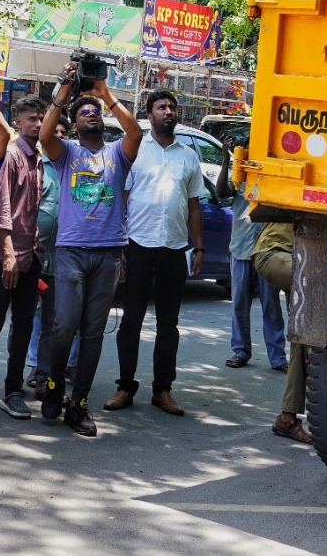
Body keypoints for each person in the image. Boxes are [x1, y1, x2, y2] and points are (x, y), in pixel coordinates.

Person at [38, 64, 142, 437]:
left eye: (94, 113)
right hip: (71, 252)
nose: (91, 116)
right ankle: (53, 384)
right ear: (75, 123)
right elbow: (46, 132)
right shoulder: (65, 153)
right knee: (65, 324)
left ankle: (78, 404)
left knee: (93, 332)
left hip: (108, 253)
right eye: (84, 114)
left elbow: (135, 131)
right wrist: (65, 87)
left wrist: (105, 93)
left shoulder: (117, 153)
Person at [106, 89, 204, 416]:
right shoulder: (135, 150)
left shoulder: (188, 155)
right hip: (137, 244)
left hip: (174, 247)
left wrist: (199, 245)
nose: (168, 112)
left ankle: (162, 390)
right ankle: (125, 386)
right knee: (131, 320)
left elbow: (193, 205)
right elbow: (120, 198)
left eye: (172, 107)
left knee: (168, 323)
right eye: (161, 107)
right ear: (150, 115)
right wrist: (118, 245)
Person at [0, 94, 47, 420]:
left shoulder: (38, 158)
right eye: (31, 118)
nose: (37, 123)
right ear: (18, 121)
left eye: (41, 118)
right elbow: (2, 209)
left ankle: (13, 390)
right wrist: (7, 255)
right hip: (6, 257)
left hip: (31, 256)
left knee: (22, 328)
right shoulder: (15, 155)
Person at [216, 153, 287, 372]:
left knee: (271, 306)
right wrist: (227, 162)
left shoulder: (273, 176)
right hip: (241, 249)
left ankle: (278, 358)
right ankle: (240, 351)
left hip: (268, 251)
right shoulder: (239, 174)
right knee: (239, 304)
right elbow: (221, 192)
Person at [253, 222, 311, 443]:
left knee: (304, 336)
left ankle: (287, 418)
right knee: (311, 281)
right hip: (274, 252)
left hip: (301, 257)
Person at [26, 110, 67, 397]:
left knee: (52, 323)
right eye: (55, 135)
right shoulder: (37, 166)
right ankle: (14, 382)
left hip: (60, 262)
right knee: (24, 320)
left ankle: (42, 376)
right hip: (31, 258)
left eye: (64, 135)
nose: (59, 139)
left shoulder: (71, 167)